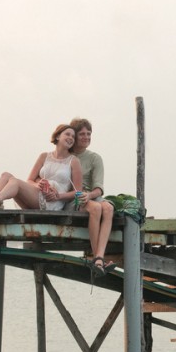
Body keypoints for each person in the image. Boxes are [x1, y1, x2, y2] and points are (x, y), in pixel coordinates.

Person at [0, 124, 83, 211]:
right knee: (6, 175)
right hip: (37, 193)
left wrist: (58, 196)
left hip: (52, 202)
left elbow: (78, 192)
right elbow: (30, 180)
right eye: (67, 134)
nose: (71, 138)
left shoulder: (73, 161)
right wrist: (39, 184)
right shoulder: (44, 156)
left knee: (15, 182)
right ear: (57, 136)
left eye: (73, 136)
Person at [69, 117, 115, 275]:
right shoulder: (67, 156)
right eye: (82, 134)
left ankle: (99, 257)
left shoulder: (95, 158)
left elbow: (99, 189)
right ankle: (98, 260)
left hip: (91, 196)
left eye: (89, 134)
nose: (86, 137)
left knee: (108, 208)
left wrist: (89, 195)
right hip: (75, 199)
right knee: (96, 208)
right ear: (74, 135)